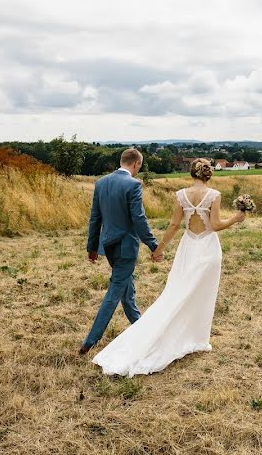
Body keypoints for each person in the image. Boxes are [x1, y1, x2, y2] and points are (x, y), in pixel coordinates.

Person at [92, 158, 246, 376]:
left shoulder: (181, 195)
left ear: (192, 174)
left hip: (188, 248)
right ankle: (197, 338)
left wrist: (159, 248)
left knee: (177, 291)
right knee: (202, 294)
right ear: (208, 174)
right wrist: (236, 219)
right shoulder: (214, 195)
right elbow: (215, 225)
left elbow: (174, 225)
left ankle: (192, 337)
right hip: (208, 249)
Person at [79, 148, 161, 355]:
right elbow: (139, 219)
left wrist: (92, 247)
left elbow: (95, 218)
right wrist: (153, 245)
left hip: (108, 245)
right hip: (125, 247)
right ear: (136, 164)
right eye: (139, 167)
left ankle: (139, 326)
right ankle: (91, 340)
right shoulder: (133, 184)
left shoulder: (101, 182)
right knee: (115, 292)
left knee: (126, 288)